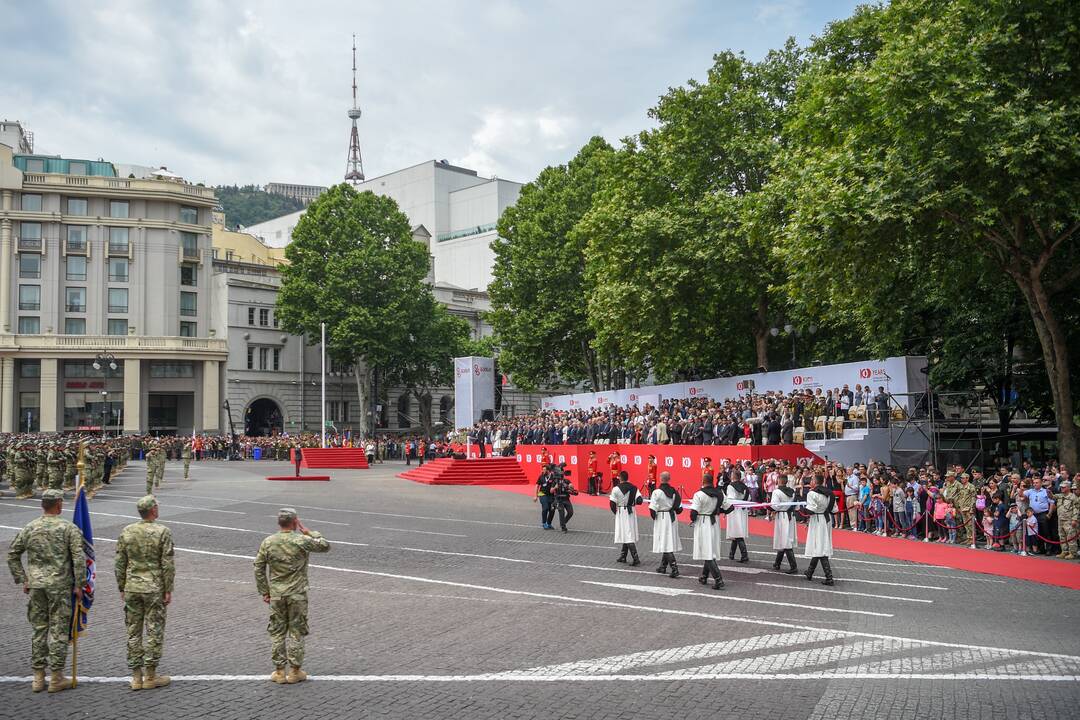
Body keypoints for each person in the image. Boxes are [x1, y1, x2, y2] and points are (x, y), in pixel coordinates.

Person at [6, 489, 86, 693]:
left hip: (37, 586)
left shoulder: (30, 527)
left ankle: (38, 677)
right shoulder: (68, 528)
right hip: (59, 586)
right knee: (59, 630)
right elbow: (78, 558)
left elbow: (13, 554)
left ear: (43, 505)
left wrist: (23, 579)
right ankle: (56, 677)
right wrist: (79, 584)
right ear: (59, 504)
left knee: (39, 629)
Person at [253, 508, 331, 684]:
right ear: (295, 522)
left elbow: (258, 567)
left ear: (278, 522)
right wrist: (309, 531)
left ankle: (279, 671)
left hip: (277, 594)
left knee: (277, 631)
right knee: (296, 632)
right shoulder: (301, 540)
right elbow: (325, 545)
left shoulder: (268, 542)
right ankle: (295, 671)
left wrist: (264, 590)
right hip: (297, 594)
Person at [115, 495, 176, 690]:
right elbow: (167, 564)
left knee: (133, 631)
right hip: (153, 588)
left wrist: (121, 586)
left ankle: (135, 676)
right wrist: (168, 589)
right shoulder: (162, 531)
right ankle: (150, 675)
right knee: (154, 630)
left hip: (133, 587)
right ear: (153, 510)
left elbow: (119, 563)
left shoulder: (127, 531)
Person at [689, 474, 724, 589]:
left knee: (706, 551)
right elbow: (729, 508)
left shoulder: (698, 494)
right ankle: (704, 576)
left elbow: (693, 513)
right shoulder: (720, 493)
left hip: (703, 522)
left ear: (703, 481)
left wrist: (693, 520)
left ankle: (718, 579)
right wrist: (716, 510)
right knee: (709, 549)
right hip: (714, 523)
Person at [649, 471, 683, 578]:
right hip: (671, 517)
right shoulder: (674, 491)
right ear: (669, 479)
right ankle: (663, 566)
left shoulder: (656, 492)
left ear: (660, 478)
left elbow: (652, 509)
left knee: (665, 542)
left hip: (662, 517)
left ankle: (674, 568)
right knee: (667, 541)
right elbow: (679, 509)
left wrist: (655, 519)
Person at [803, 476, 835, 585]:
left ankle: (829, 577)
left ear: (815, 482)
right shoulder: (829, 493)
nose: (810, 482)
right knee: (819, 545)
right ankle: (809, 572)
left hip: (818, 520)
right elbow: (834, 509)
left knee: (820, 546)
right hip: (826, 519)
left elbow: (811, 510)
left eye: (811, 480)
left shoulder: (812, 494)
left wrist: (803, 508)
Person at [609, 470, 643, 565]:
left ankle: (635, 558)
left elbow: (612, 504)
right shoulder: (634, 488)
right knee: (627, 532)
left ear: (620, 478)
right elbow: (640, 500)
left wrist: (616, 513)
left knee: (627, 534)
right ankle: (623, 556)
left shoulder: (616, 489)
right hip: (631, 512)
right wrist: (632, 502)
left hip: (621, 512)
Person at [770, 475, 799, 573]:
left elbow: (775, 506)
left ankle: (793, 566)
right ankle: (777, 563)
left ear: (779, 481)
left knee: (785, 540)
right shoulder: (793, 492)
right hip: (790, 516)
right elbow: (797, 506)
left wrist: (767, 507)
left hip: (782, 517)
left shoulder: (776, 492)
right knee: (784, 539)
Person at [723, 473, 750, 563]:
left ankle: (744, 555)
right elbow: (748, 498)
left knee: (737, 533)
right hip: (743, 510)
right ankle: (731, 554)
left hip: (734, 510)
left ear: (733, 477)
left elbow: (731, 499)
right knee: (736, 532)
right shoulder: (745, 486)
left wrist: (725, 508)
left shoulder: (731, 486)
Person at [1054, 480, 1077, 559]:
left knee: (1070, 537)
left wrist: (1074, 519)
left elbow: (1076, 509)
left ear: (1068, 488)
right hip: (1061, 519)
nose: (1062, 488)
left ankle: (1073, 553)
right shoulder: (1060, 496)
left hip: (1069, 520)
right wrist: (1049, 493)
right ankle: (1064, 551)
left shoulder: (1073, 497)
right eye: (1061, 487)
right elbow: (1052, 496)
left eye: (1063, 487)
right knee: (1062, 536)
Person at [552, 465, 578, 532]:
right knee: (562, 513)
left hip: (566, 499)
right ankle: (563, 527)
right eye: (560, 472)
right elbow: (551, 490)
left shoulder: (567, 480)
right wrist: (555, 487)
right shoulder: (555, 481)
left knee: (570, 512)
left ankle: (563, 523)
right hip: (559, 499)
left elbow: (571, 488)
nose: (561, 474)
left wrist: (571, 487)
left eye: (562, 472)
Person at [534, 465, 557, 530]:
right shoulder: (541, 477)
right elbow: (537, 486)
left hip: (551, 496)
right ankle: (544, 523)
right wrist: (535, 496)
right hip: (542, 494)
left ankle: (549, 523)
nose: (542, 471)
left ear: (548, 471)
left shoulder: (553, 477)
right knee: (545, 508)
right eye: (542, 469)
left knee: (552, 509)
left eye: (544, 470)